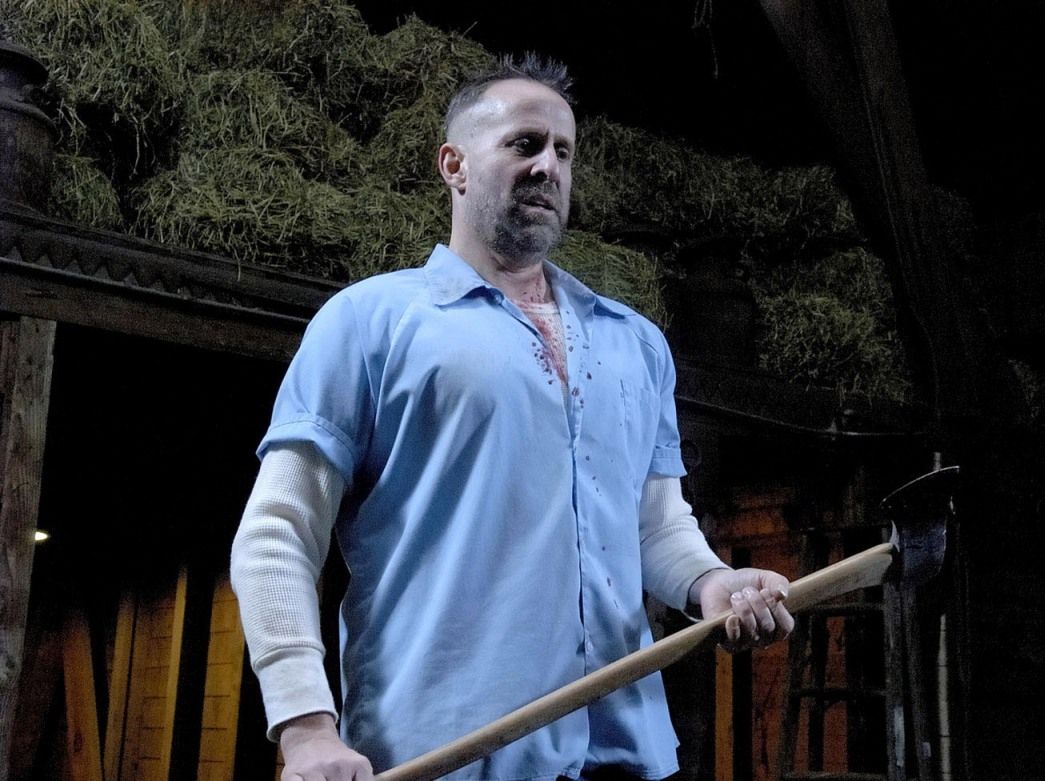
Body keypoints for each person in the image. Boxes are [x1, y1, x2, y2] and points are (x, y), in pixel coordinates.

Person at [231, 53, 794, 781]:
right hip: (447, 755)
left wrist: (710, 583)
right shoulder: (370, 322)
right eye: (523, 144)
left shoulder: (634, 341)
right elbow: (278, 532)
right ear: (454, 165)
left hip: (624, 754)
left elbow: (654, 525)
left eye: (563, 150)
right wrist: (306, 727)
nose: (547, 166)